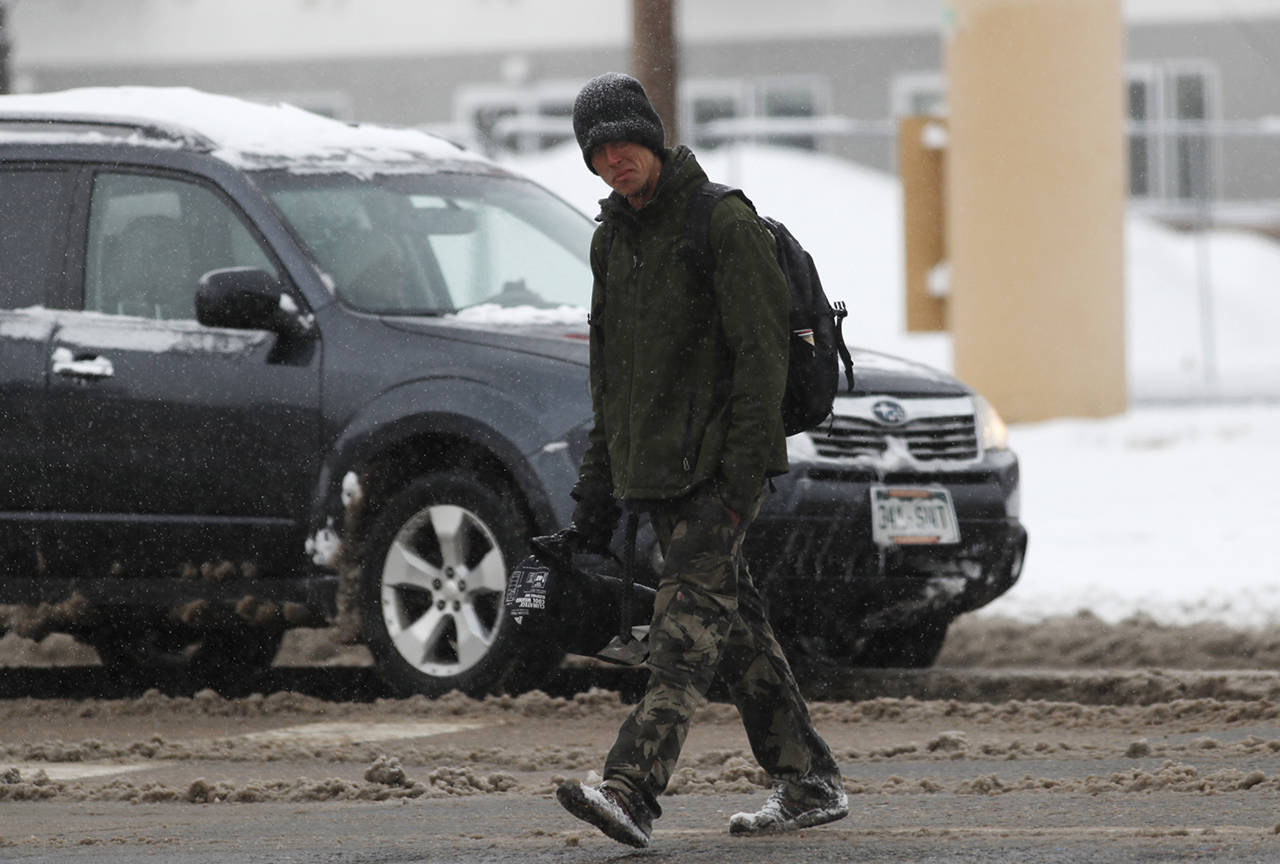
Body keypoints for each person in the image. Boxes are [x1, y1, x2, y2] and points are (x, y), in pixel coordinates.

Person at [546, 71, 848, 848]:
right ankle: (808, 781)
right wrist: (596, 495)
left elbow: (760, 362)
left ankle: (631, 792)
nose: (614, 159)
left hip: (718, 476)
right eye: (597, 149)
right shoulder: (611, 239)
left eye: (623, 141)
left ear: (651, 136)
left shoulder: (722, 222)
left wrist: (744, 478)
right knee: (738, 632)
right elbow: (610, 377)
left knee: (679, 641)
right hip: (656, 476)